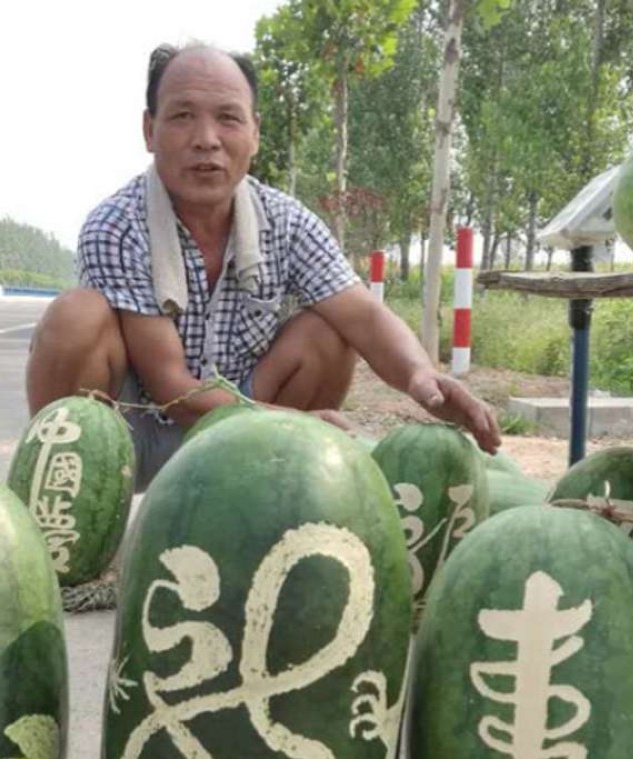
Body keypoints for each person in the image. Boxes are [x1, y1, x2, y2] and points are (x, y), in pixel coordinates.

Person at [26, 43, 500, 490]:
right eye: (183, 116)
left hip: (250, 434)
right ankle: (71, 502)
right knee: (76, 316)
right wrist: (291, 424)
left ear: (254, 132)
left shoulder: (287, 223)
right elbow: (171, 386)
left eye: (228, 118)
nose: (206, 140)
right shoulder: (117, 226)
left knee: (331, 333)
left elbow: (365, 317)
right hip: (137, 432)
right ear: (150, 131)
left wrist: (422, 378)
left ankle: (266, 502)